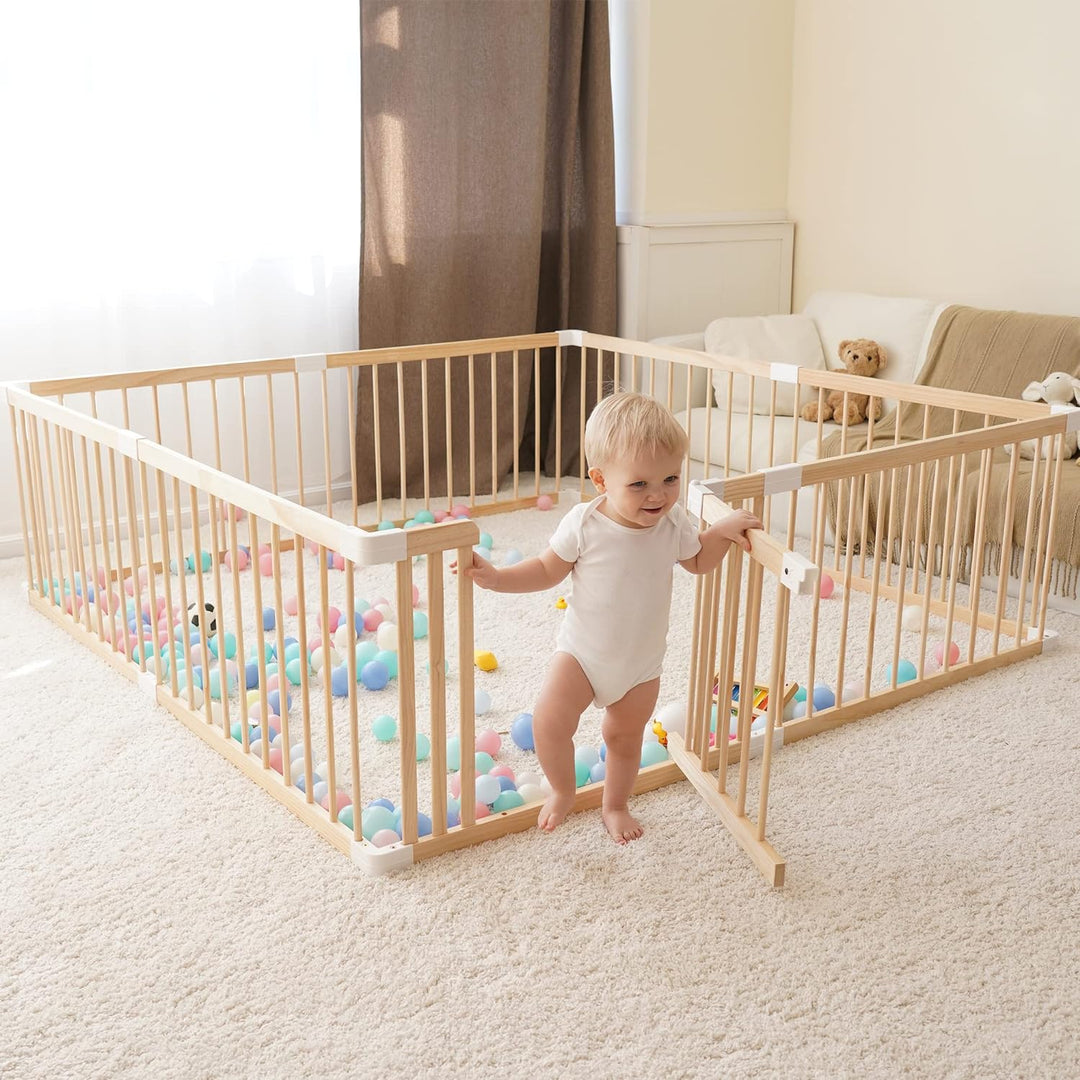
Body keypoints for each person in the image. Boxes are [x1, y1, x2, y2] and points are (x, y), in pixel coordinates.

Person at [459, 392, 760, 844]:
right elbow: (545, 570)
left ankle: (615, 804)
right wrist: (497, 577)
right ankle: (562, 789)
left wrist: (718, 532)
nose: (658, 494)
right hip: (582, 654)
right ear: (600, 479)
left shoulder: (673, 523)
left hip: (641, 667)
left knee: (624, 738)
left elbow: (697, 562)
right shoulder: (585, 523)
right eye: (639, 485)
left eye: (671, 478)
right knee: (549, 722)